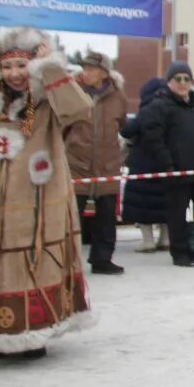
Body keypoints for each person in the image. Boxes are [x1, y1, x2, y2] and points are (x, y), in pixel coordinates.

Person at [0, 28, 95, 359]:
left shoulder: (46, 102)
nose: (15, 74)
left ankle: (34, 332)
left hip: (36, 202)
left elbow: (79, 110)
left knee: (32, 260)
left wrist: (51, 67)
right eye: (7, 67)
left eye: (21, 66)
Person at [142, 62, 194, 268]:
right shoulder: (160, 106)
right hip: (177, 170)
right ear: (169, 82)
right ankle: (180, 252)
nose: (182, 83)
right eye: (177, 79)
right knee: (177, 214)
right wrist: (167, 164)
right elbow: (153, 138)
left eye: (186, 79)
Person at [65, 51, 128, 275]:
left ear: (103, 72)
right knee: (72, 218)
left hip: (107, 167)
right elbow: (62, 125)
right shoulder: (72, 93)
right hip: (77, 166)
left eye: (91, 69)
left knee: (106, 219)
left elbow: (121, 126)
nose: (86, 73)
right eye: (84, 68)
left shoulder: (118, 97)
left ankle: (102, 260)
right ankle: (66, 263)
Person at [120, 77, 169, 253]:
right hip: (167, 162)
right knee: (166, 202)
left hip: (143, 163)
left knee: (143, 204)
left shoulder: (146, 111)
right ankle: (165, 239)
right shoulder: (172, 109)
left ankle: (148, 241)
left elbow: (127, 131)